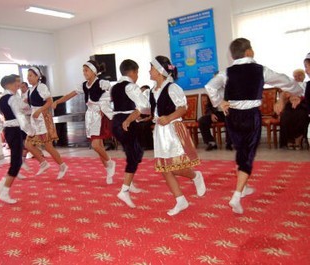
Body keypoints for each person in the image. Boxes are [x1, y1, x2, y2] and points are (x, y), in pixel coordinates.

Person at [205, 38, 302, 214]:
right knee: (247, 155)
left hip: (231, 116)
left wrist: (220, 102)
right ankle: (236, 195)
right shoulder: (260, 70)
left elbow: (210, 87)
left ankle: (245, 187)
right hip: (251, 116)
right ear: (248, 52)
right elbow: (286, 81)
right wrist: (298, 91)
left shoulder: (226, 72)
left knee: (241, 150)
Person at [149, 56, 206, 216]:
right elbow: (153, 110)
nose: (149, 71)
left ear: (160, 71)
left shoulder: (173, 88)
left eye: (152, 68)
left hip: (172, 130)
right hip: (160, 132)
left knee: (175, 166)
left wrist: (168, 118)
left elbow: (182, 108)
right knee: (165, 169)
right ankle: (180, 200)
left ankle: (195, 176)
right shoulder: (152, 91)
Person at [52, 60, 116, 184]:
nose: (84, 73)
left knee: (96, 145)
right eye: (83, 71)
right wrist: (57, 101)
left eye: (86, 70)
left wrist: (103, 107)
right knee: (99, 146)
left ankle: (110, 162)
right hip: (90, 115)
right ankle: (108, 171)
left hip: (99, 115)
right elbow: (69, 95)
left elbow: (110, 96)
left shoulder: (102, 83)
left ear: (94, 71)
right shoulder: (83, 85)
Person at [0, 75, 35, 204]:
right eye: (17, 83)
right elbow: (20, 116)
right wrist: (30, 130)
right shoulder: (12, 98)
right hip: (14, 130)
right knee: (16, 162)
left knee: (17, 160)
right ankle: (4, 192)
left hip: (10, 130)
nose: (19, 85)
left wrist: (2, 128)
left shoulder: (1, 99)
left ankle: (1, 185)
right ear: (8, 85)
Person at [111, 59, 150, 208]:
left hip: (116, 122)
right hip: (126, 123)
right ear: (133, 72)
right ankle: (124, 190)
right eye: (137, 72)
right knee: (134, 156)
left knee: (135, 152)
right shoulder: (131, 87)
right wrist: (129, 119)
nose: (138, 76)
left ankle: (130, 182)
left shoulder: (114, 88)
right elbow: (144, 106)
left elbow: (110, 108)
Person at [25, 67, 68, 179]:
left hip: (43, 118)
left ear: (37, 76)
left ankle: (62, 166)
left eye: (30, 75)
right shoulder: (30, 90)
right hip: (35, 119)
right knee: (28, 144)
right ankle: (43, 163)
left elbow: (50, 101)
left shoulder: (42, 87)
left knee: (48, 147)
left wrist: (39, 110)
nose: (28, 78)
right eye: (27, 75)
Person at [277, 69, 308, 150]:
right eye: (295, 76)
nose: (297, 77)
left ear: (304, 76)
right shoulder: (290, 85)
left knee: (302, 115)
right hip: (290, 104)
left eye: (299, 75)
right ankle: (289, 140)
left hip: (303, 104)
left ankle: (298, 139)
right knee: (285, 116)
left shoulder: (306, 84)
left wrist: (300, 99)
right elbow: (284, 95)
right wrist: (290, 98)